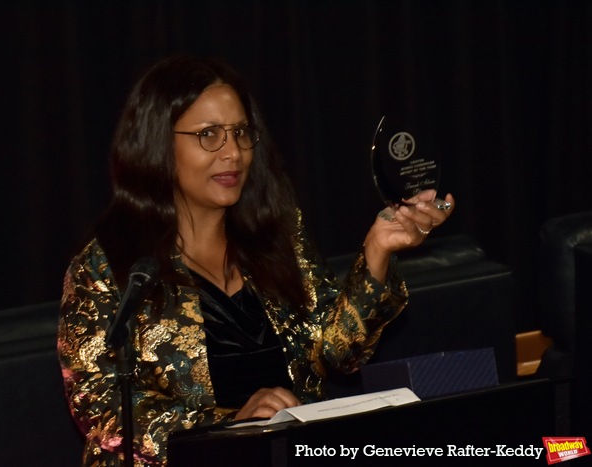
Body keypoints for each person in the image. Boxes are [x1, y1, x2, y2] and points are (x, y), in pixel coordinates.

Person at [57, 55, 455, 467]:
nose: (233, 153)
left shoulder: (277, 235)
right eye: (209, 134)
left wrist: (378, 250)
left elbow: (338, 355)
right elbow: (101, 407)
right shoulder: (110, 264)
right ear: (158, 144)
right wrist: (231, 427)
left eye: (241, 133)